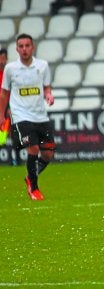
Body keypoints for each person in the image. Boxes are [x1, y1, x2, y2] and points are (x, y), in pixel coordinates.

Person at [0, 34, 55, 201]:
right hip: (21, 115)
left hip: (40, 115)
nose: (24, 49)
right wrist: (2, 115)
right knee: (33, 148)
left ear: (33, 47)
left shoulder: (42, 66)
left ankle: (30, 176)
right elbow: (4, 94)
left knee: (48, 154)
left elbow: (46, 88)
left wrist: (49, 95)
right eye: (21, 46)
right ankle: (34, 187)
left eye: (27, 46)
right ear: (17, 49)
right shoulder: (10, 69)